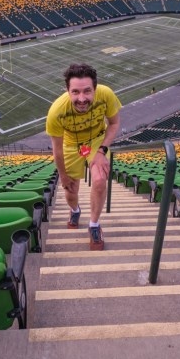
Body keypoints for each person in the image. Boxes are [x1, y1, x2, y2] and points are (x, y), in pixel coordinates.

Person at [46, 63, 121, 251]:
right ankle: (75, 210)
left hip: (96, 140)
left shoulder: (106, 94)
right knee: (71, 190)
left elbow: (114, 124)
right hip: (71, 144)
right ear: (68, 91)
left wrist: (102, 151)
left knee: (100, 180)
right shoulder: (57, 111)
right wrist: (63, 175)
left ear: (95, 89)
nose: (81, 98)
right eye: (75, 92)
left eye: (87, 91)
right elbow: (57, 149)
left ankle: (94, 224)